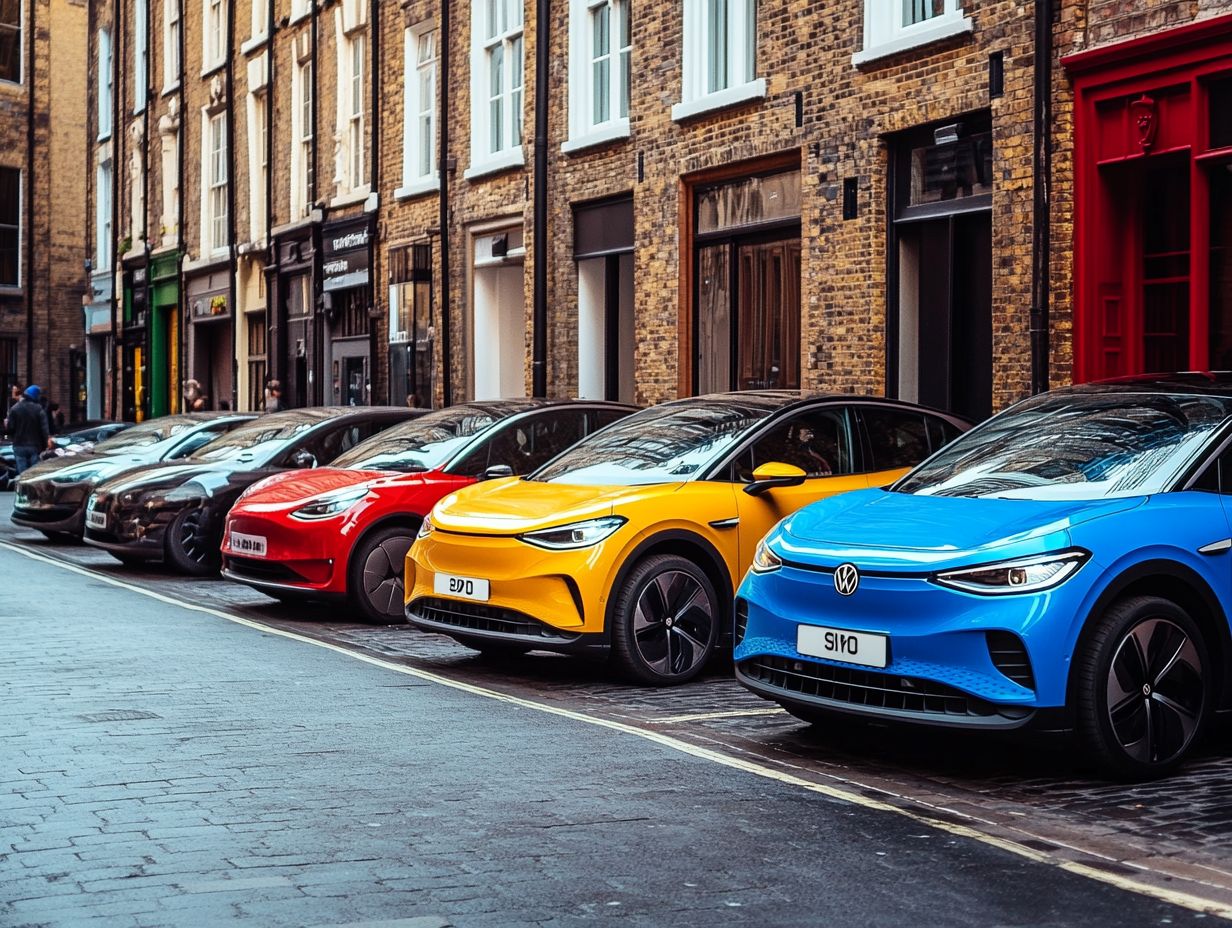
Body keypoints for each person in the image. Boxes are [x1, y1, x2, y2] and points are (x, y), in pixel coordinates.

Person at [5, 385, 53, 475]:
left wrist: (6, 426)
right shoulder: (38, 409)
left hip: (18, 445)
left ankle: (23, 487)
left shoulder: (14, 409)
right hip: (34, 445)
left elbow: (10, 429)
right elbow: (44, 429)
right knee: (34, 473)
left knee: (22, 473)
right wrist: (46, 443)